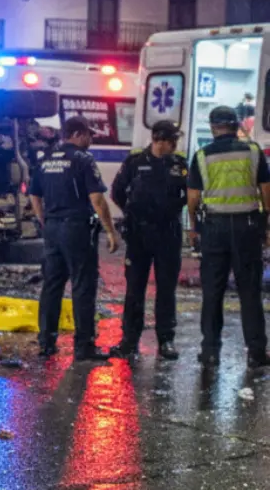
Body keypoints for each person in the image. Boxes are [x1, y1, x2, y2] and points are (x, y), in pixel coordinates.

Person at [29, 115, 121, 362]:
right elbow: (97, 199)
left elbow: (34, 196)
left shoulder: (45, 159)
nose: (91, 140)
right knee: (82, 286)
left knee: (52, 286)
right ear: (78, 134)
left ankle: (46, 343)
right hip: (77, 229)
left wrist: (44, 220)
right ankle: (84, 347)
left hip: (52, 228)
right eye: (89, 135)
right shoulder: (83, 159)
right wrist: (111, 231)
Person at [187, 105, 270, 368]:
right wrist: (267, 225)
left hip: (214, 228)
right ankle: (256, 353)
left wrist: (194, 227)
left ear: (213, 128)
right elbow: (266, 191)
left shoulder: (202, 156)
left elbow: (193, 198)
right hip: (247, 227)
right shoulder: (253, 152)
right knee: (250, 292)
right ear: (236, 126)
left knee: (213, 292)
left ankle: (210, 351)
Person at [109, 120, 188, 360]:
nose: (174, 145)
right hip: (139, 234)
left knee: (166, 289)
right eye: (172, 141)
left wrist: (172, 209)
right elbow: (117, 192)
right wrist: (132, 212)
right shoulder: (135, 162)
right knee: (135, 288)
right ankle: (129, 341)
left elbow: (190, 193)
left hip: (168, 233)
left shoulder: (179, 164)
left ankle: (166, 341)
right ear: (160, 140)